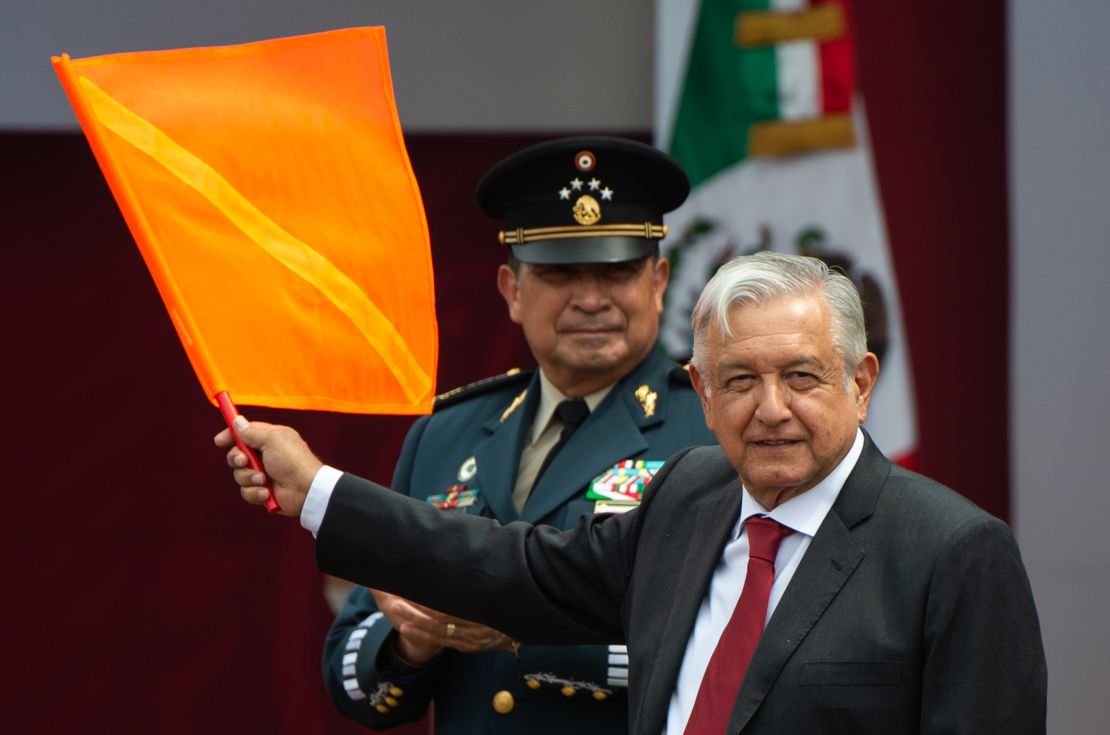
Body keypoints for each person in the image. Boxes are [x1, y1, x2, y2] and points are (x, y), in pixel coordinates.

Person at [219, 251, 1047, 734]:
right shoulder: (690, 495)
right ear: (702, 390)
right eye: (738, 380)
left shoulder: (953, 551)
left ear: (861, 383)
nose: (771, 409)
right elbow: (512, 566)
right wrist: (318, 489)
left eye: (802, 376)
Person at [317, 137, 716, 733]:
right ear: (511, 291)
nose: (590, 299)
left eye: (617, 272)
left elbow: (732, 645)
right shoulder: (444, 436)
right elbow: (352, 677)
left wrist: (524, 635)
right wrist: (412, 641)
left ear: (658, 283)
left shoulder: (713, 429)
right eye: (559, 274)